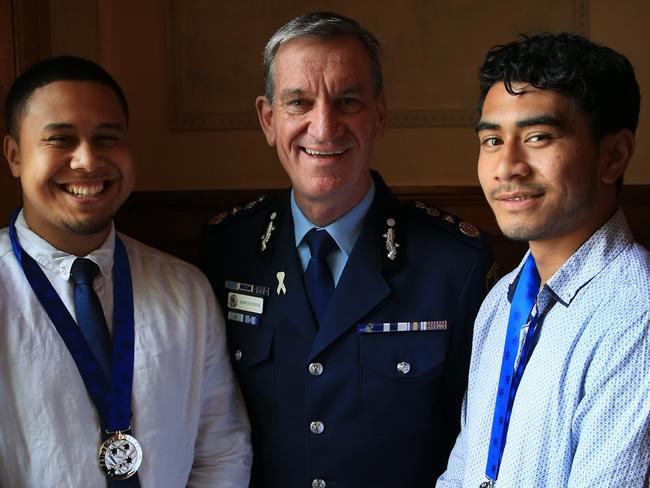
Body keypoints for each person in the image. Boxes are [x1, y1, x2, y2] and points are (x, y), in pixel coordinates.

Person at [201, 11, 494, 488]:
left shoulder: (454, 263)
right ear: (268, 119)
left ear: (379, 115)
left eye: (348, 101)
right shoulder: (225, 250)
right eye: (299, 102)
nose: (324, 125)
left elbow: (475, 443)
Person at [0, 56, 252, 487]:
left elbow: (222, 451)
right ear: (15, 155)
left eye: (107, 138)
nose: (86, 160)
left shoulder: (185, 289)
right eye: (60, 139)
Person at [437, 32, 650, 487]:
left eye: (537, 136)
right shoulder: (500, 302)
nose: (507, 166)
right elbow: (464, 470)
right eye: (492, 140)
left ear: (613, 156)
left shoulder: (637, 316)